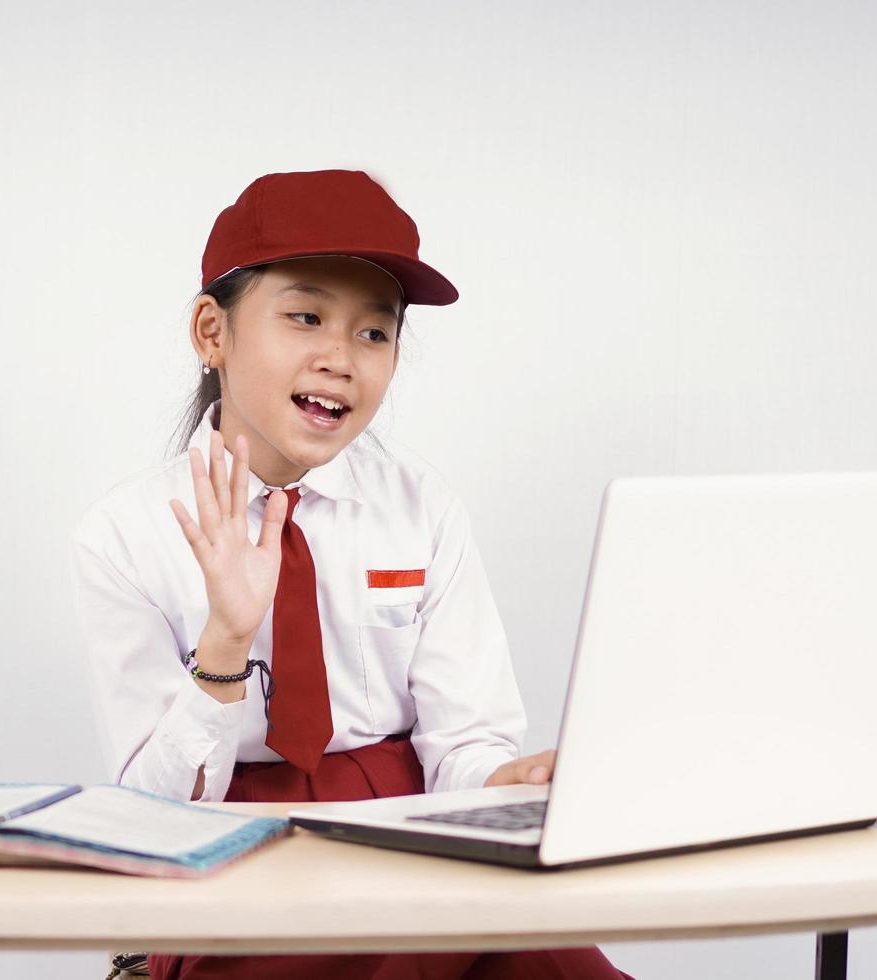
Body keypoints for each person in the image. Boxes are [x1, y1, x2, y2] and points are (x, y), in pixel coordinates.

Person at [71, 169, 634, 980]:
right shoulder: (122, 537)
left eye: (375, 334)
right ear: (211, 332)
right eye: (305, 317)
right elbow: (156, 816)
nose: (341, 359)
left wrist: (501, 779)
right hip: (239, 861)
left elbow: (464, 741)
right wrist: (226, 639)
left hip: (423, 836)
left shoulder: (422, 508)